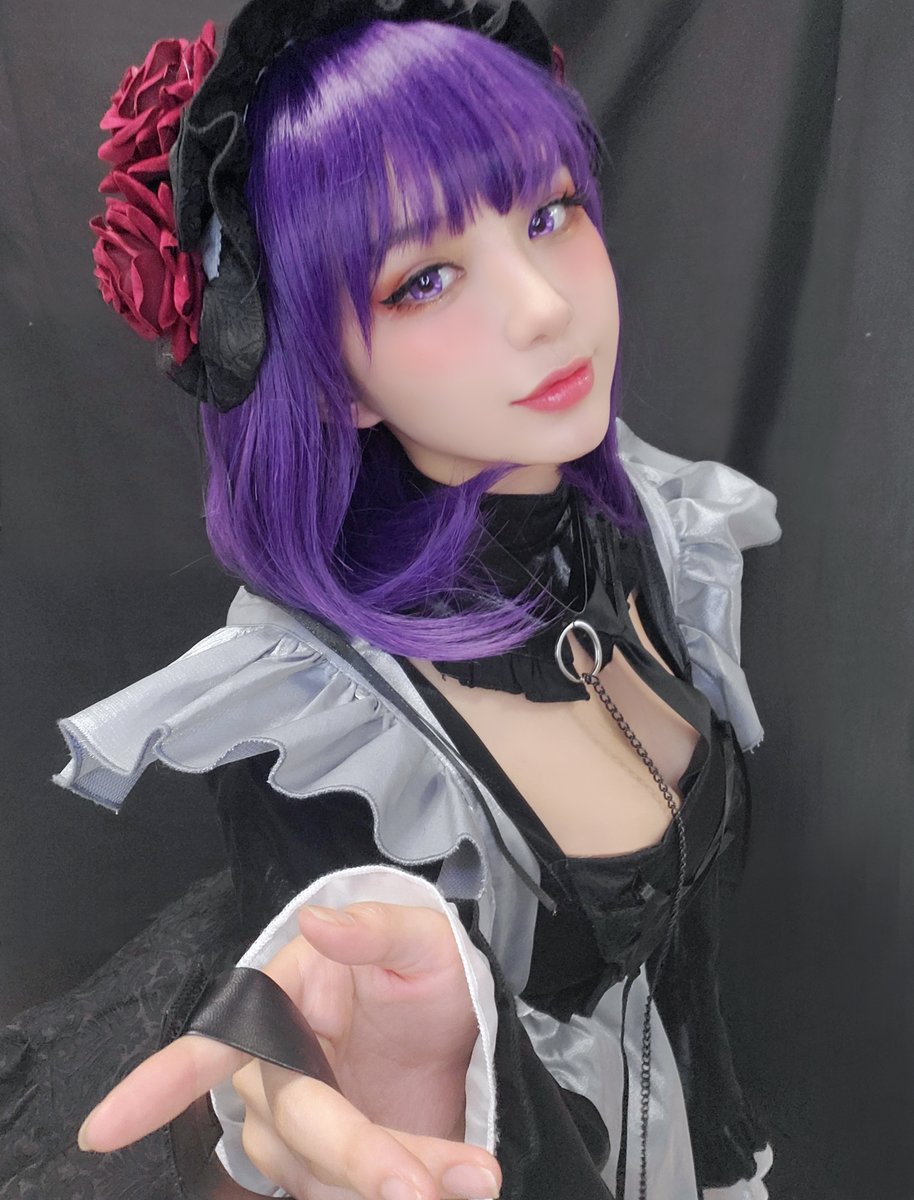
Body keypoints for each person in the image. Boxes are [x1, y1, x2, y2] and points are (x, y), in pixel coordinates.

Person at [1, 3, 781, 1198]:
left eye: (547, 213)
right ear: (337, 380)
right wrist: (378, 1083)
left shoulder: (646, 531)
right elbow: (321, 1039)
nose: (542, 304)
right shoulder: (328, 722)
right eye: (424, 280)